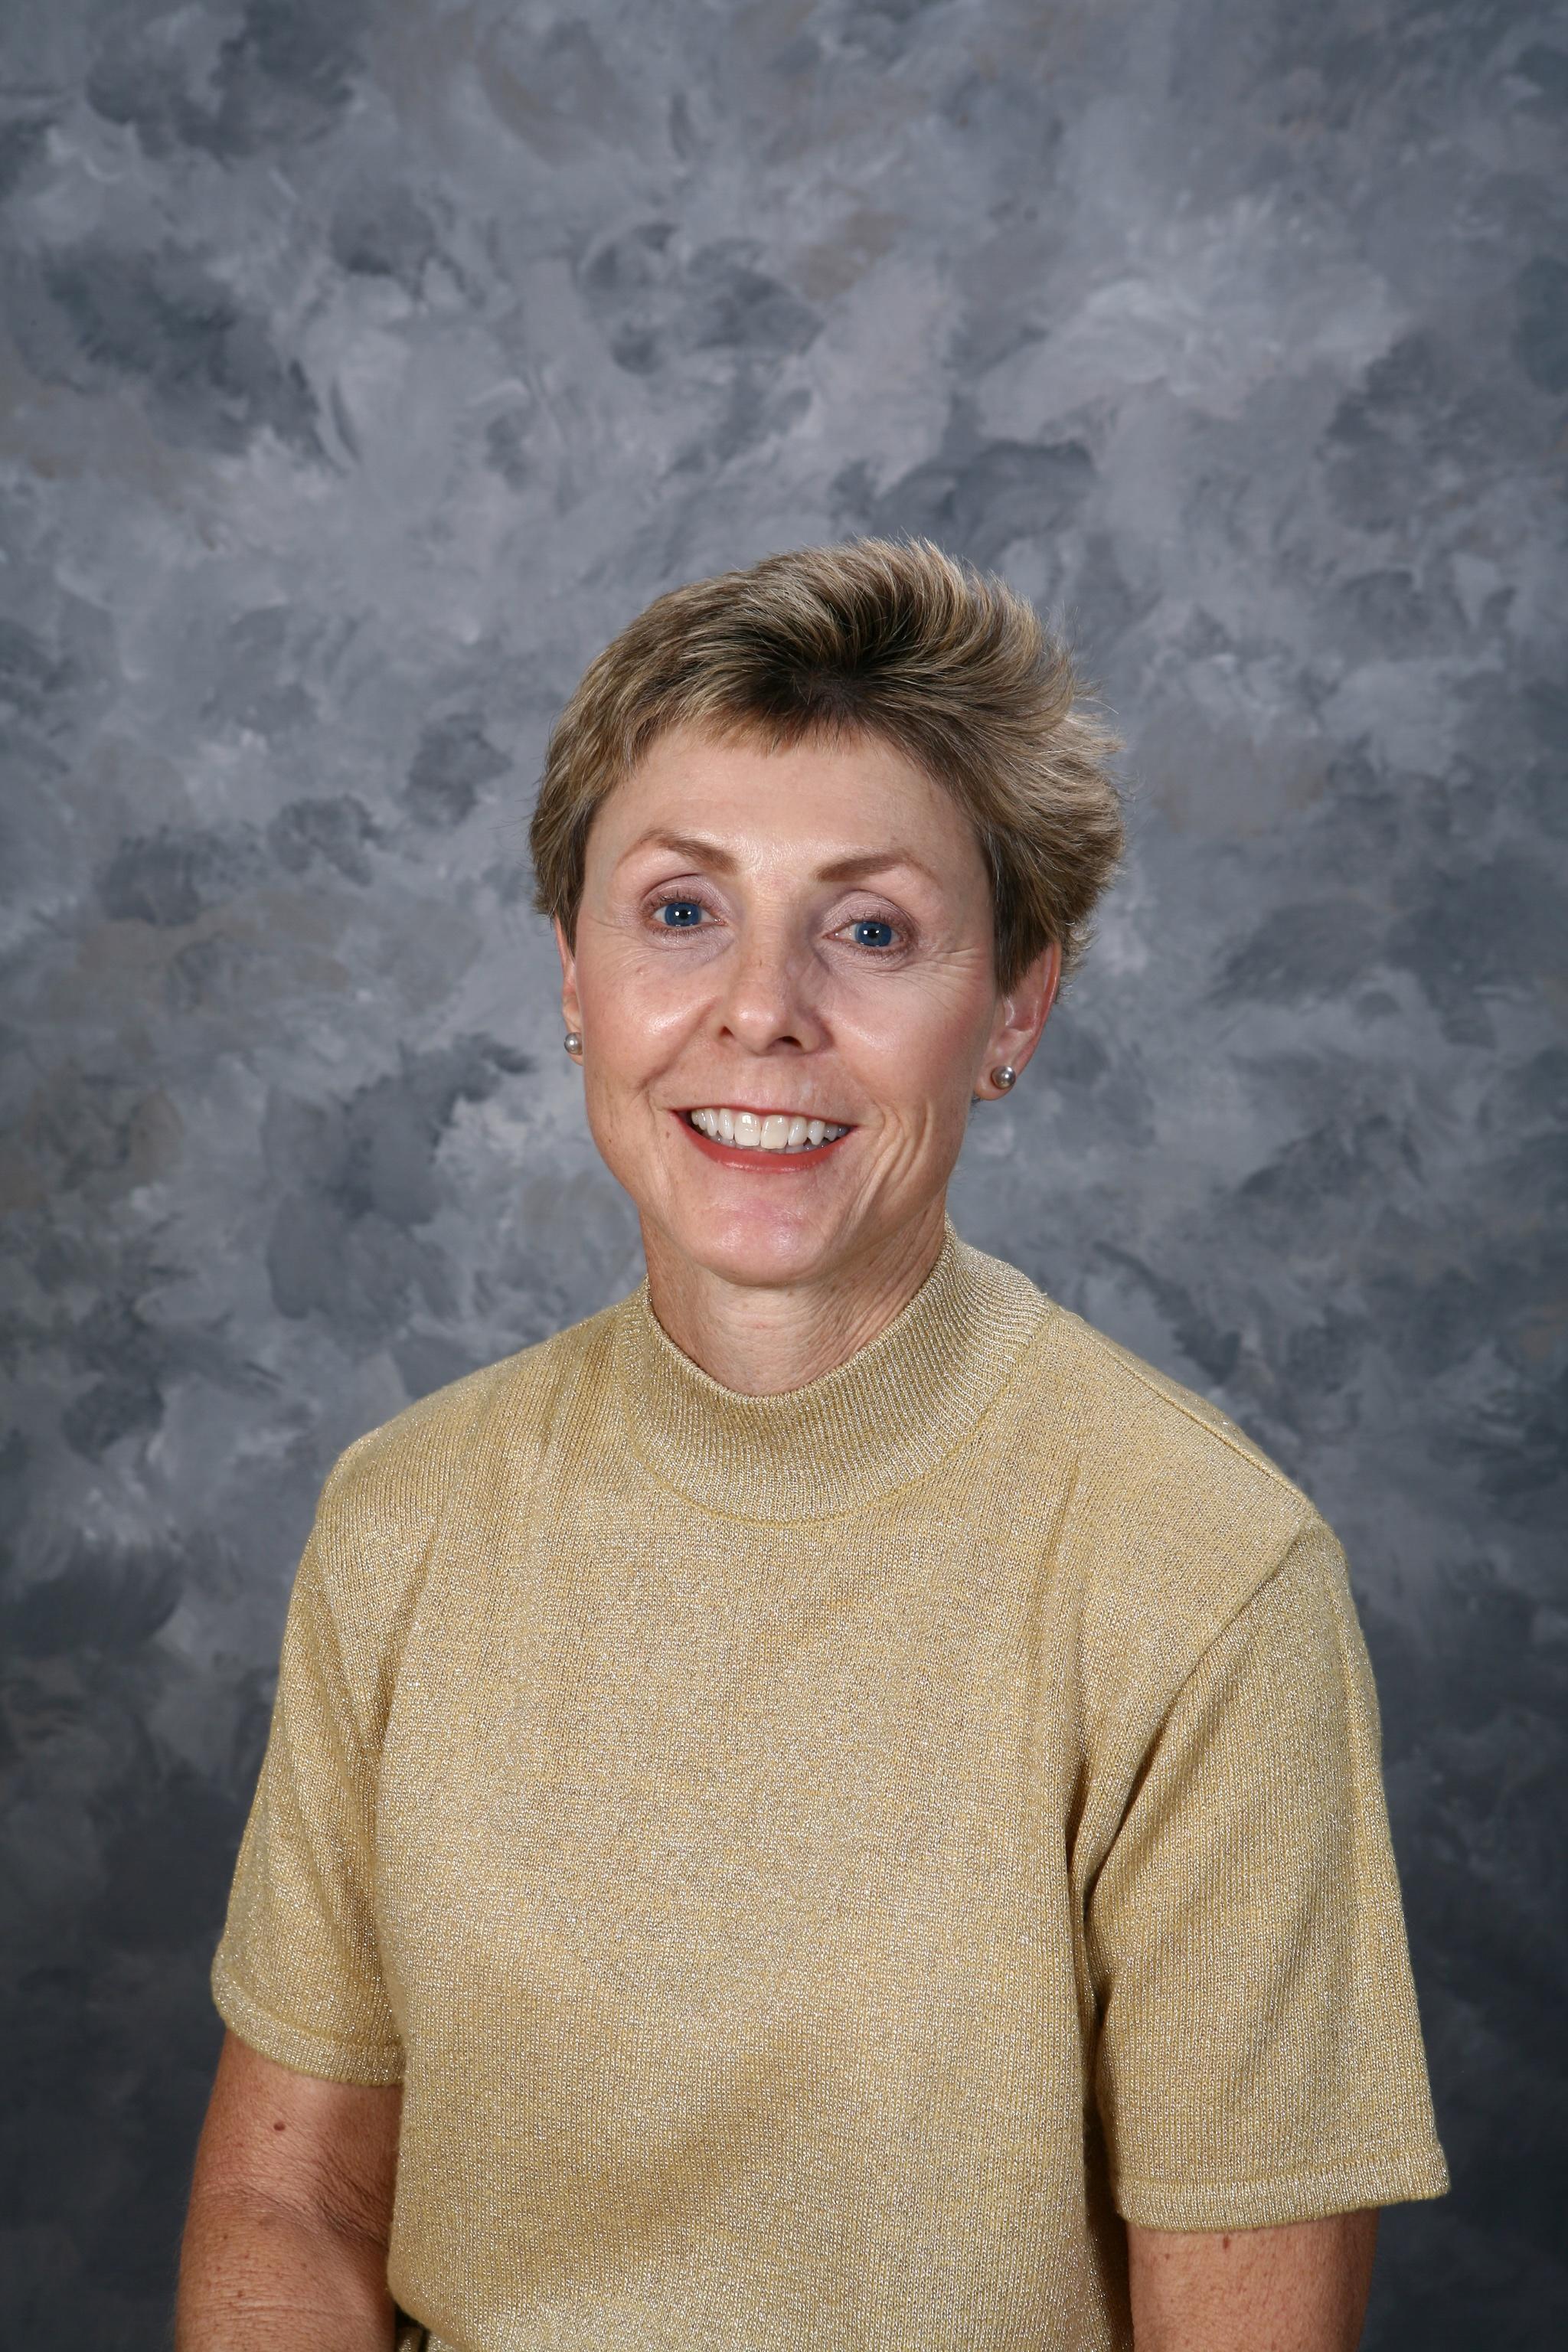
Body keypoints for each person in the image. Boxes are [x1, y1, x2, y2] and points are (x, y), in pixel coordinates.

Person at [177, 537, 1448, 2352]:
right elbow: (291, 2203)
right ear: (572, 975)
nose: (759, 1008)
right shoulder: (405, 1517)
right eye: (681, 910)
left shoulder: (1204, 1580)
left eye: (870, 931)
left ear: (1013, 1008)